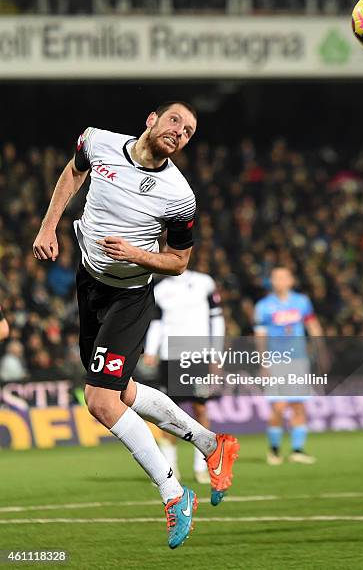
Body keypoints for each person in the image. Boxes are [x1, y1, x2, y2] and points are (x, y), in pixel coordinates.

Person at [33, 101, 239, 549]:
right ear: (151, 120)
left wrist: (136, 254)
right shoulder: (97, 141)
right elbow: (73, 172)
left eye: (188, 131)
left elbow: (179, 261)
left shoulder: (179, 195)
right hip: (89, 285)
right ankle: (211, 444)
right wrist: (49, 227)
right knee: (121, 391)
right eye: (174, 121)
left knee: (101, 402)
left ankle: (174, 493)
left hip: (129, 295)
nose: (179, 132)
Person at [143, 268, 225, 483]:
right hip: (170, 356)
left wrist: (216, 353)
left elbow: (216, 319)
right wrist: (151, 349)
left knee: (201, 408)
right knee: (168, 414)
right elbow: (157, 322)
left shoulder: (204, 282)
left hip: (198, 355)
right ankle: (170, 469)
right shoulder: (160, 289)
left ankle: (202, 467)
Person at [254, 266, 324, 465]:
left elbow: (313, 325)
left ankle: (297, 450)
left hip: (299, 360)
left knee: (298, 405)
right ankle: (274, 451)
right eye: (276, 277)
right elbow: (260, 336)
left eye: (284, 277)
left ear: (291, 280)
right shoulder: (264, 306)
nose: (280, 281)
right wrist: (263, 361)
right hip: (276, 361)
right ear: (272, 282)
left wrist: (321, 349)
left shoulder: (302, 302)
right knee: (278, 406)